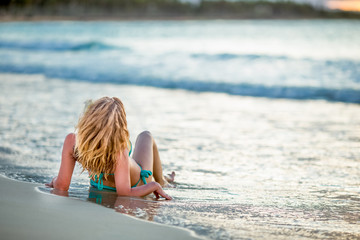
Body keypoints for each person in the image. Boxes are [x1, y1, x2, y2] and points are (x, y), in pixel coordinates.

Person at [46, 97, 174, 200]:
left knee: (144, 138)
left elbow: (61, 186)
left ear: (88, 120)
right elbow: (125, 193)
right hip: (140, 183)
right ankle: (162, 181)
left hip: (113, 182)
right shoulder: (118, 149)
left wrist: (54, 181)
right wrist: (154, 185)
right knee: (145, 135)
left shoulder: (73, 142)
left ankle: (164, 179)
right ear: (120, 127)